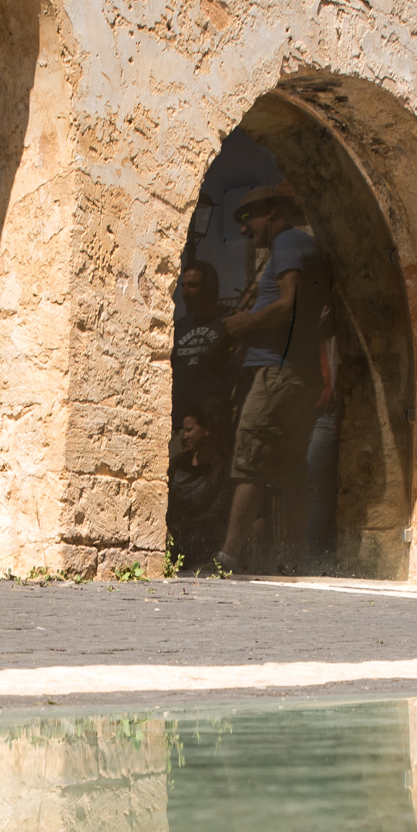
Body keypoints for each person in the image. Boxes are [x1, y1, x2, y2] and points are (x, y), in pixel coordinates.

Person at [212, 184, 319, 573]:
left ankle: (228, 556)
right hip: (292, 372)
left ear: (272, 212)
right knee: (289, 471)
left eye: (248, 219)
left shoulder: (289, 241)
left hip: (277, 373)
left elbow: (289, 304)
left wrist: (245, 323)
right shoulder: (293, 246)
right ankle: (292, 561)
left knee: (250, 462)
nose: (243, 229)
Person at [165, 407, 227, 573]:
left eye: (189, 430)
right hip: (173, 536)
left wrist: (183, 528)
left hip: (200, 540)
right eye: (183, 431)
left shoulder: (219, 468)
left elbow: (218, 512)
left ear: (206, 431)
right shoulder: (179, 462)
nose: (184, 436)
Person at [169, 258, 230, 425]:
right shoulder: (179, 327)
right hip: (179, 423)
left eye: (192, 285)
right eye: (183, 286)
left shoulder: (228, 323)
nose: (185, 292)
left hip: (213, 424)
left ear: (210, 289)